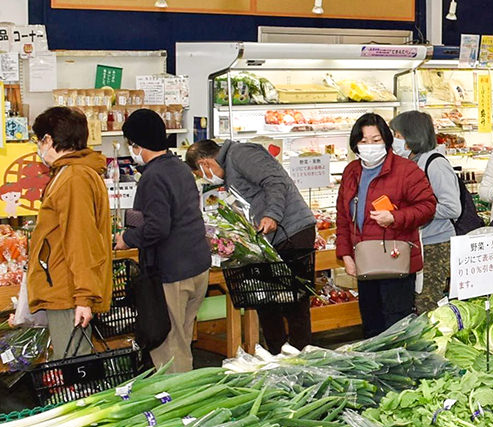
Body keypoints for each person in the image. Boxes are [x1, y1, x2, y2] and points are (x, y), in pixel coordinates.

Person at [185, 138, 317, 353]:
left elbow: (275, 181)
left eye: (200, 174)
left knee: (294, 302)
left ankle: (302, 359)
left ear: (204, 164)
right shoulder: (228, 173)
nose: (204, 178)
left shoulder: (240, 153)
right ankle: (277, 356)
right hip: (267, 240)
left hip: (291, 231)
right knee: (266, 300)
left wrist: (271, 215)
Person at [116, 109, 210, 373]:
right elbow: (153, 214)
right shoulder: (178, 167)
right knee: (182, 338)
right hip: (196, 265)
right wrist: (130, 224)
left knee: (170, 346)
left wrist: (126, 238)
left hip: (172, 272)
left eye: (130, 143)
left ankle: (177, 404)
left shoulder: (153, 176)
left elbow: (157, 227)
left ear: (137, 144)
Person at [335, 113, 437, 338]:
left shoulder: (406, 170)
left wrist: (396, 217)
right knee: (371, 324)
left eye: (376, 140)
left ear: (387, 141)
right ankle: (377, 372)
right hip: (365, 261)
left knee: (397, 326)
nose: (369, 146)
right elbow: (343, 216)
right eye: (363, 141)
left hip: (396, 261)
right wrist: (345, 255)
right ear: (355, 144)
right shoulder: (351, 172)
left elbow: (428, 206)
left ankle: (399, 368)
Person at [26, 107, 112, 357]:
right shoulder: (71, 173)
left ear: (49, 140)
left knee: (73, 366)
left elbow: (80, 240)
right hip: (64, 287)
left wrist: (83, 298)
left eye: (38, 140)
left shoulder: (73, 177)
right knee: (71, 363)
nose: (39, 147)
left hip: (67, 290)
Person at [389, 111, 463, 314]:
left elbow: (452, 207)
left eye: (398, 135)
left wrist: (416, 211)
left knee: (428, 303)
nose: (394, 140)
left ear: (412, 135)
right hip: (416, 243)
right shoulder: (411, 162)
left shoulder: (435, 164)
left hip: (436, 244)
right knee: (415, 301)